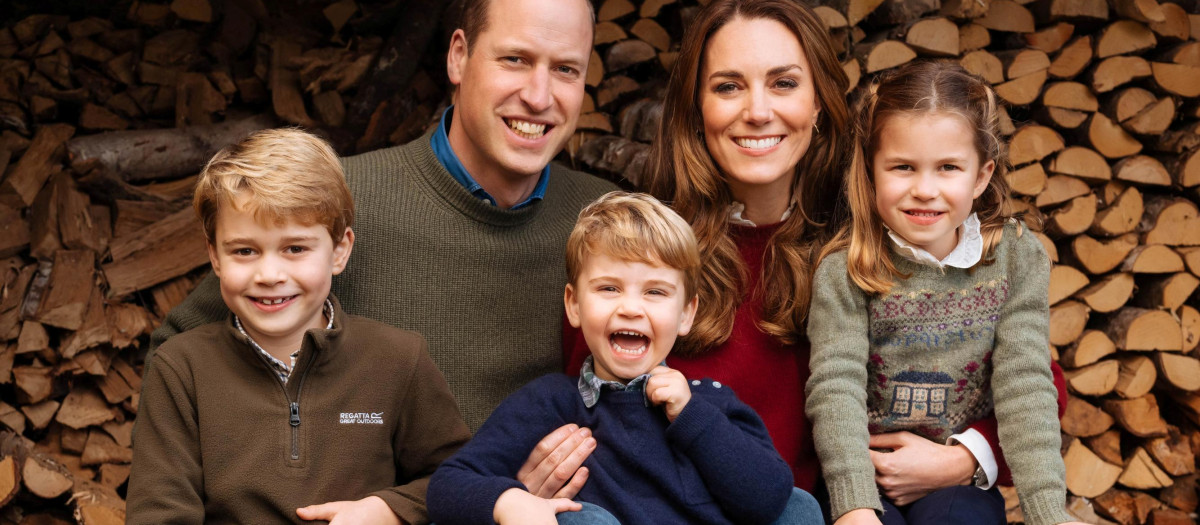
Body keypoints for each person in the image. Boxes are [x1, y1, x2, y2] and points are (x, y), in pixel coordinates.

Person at [147, 0, 617, 439]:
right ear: (458, 57)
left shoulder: (608, 224)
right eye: (515, 59)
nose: (539, 96)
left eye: (565, 70)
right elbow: (176, 360)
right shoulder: (338, 201)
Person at [127, 129, 471, 524]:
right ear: (215, 256)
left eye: (295, 249)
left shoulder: (398, 360)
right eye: (244, 251)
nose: (269, 274)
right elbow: (157, 513)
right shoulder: (181, 369)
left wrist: (388, 509)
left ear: (340, 250)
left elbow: (457, 479)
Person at [428, 191, 822, 525]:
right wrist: (510, 501)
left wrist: (692, 417)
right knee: (582, 519)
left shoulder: (709, 403)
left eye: (655, 292)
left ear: (686, 314)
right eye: (609, 288)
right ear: (574, 304)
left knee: (799, 506)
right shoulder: (550, 403)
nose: (631, 308)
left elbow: (769, 498)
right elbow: (448, 486)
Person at [804, 61, 1083, 525]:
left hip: (954, 484)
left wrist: (1048, 513)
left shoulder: (1015, 258)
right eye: (903, 167)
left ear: (980, 175)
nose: (925, 189)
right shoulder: (847, 268)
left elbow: (1026, 385)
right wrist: (854, 504)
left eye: (948, 167)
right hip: (862, 475)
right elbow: (835, 388)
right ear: (872, 172)